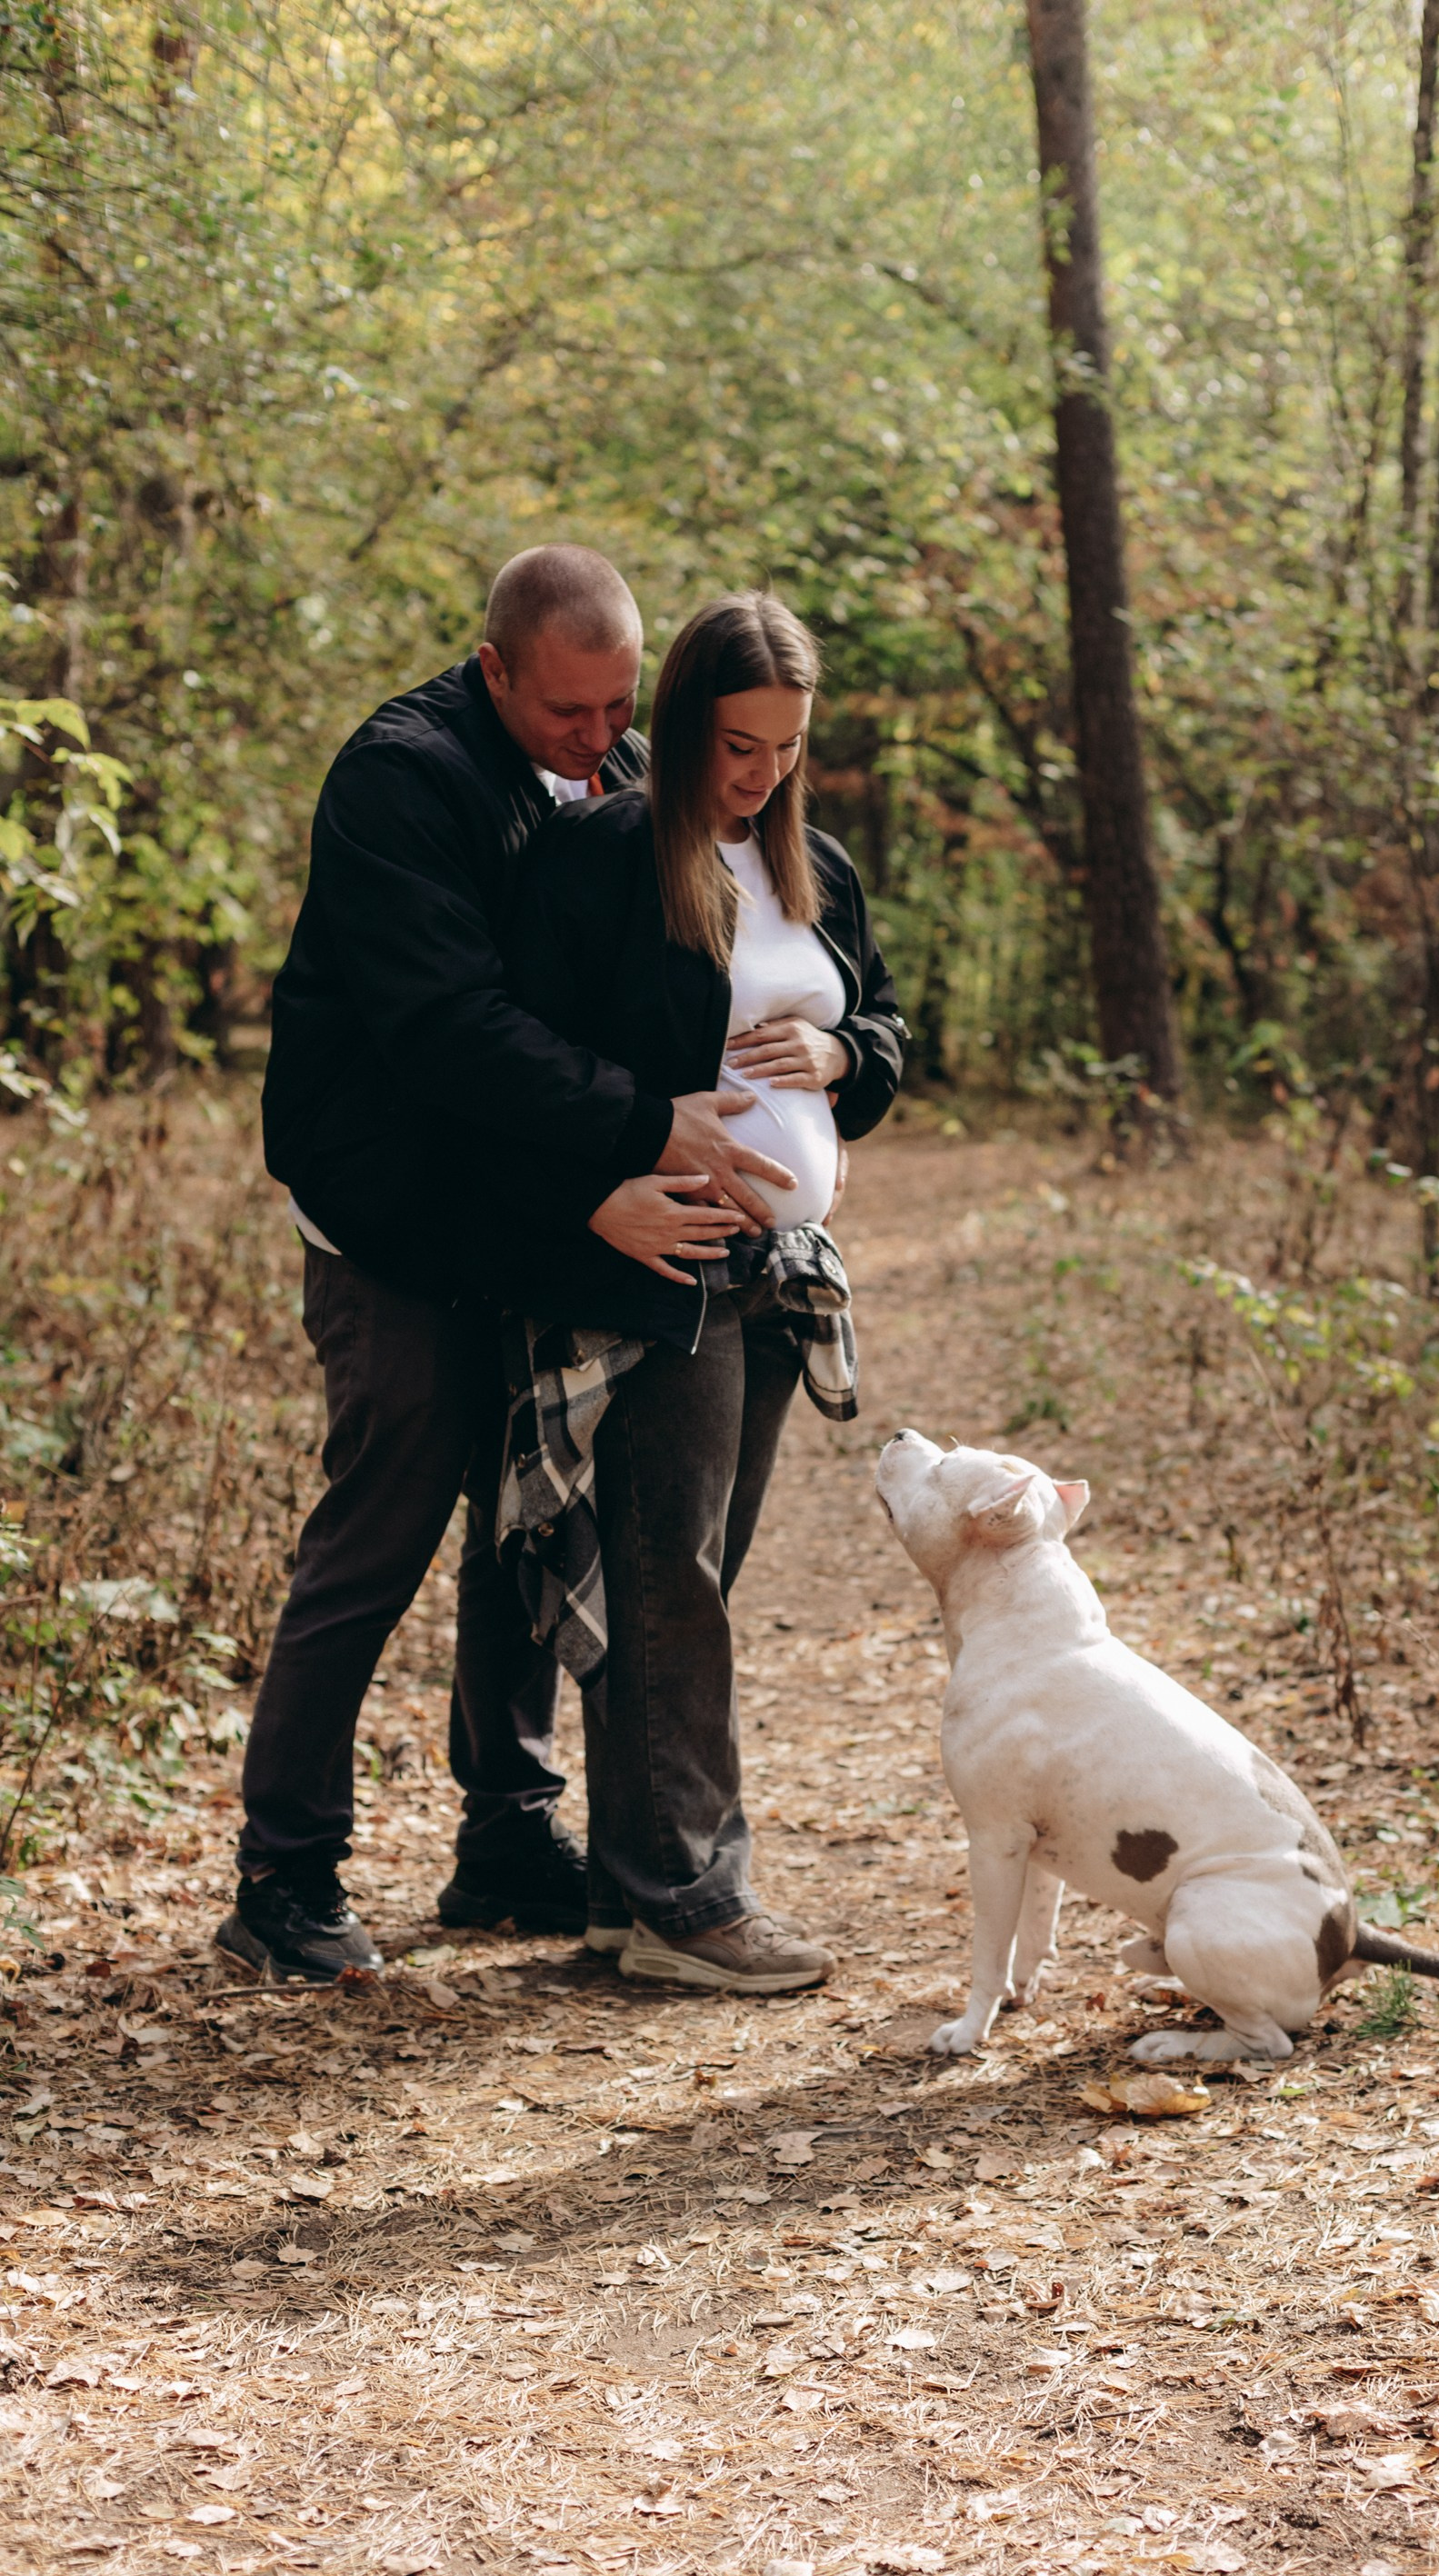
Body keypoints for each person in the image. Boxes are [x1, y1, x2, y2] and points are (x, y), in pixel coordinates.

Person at [225, 547, 796, 1984]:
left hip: (536, 1203)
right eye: (566, 712)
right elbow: (452, 1030)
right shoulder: (401, 783)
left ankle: (506, 1832)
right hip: (396, 1213)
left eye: (621, 707)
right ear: (493, 670)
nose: (601, 740)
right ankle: (284, 1873)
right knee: (387, 1518)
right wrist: (639, 1129)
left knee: (526, 1515)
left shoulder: (617, 774)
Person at [465, 591, 905, 1992]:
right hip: (667, 1266)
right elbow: (515, 1054)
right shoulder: (602, 858)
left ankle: (626, 1889)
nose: (761, 772)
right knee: (669, 1583)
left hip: (784, 1269)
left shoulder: (811, 863)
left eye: (786, 746)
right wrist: (614, 1169)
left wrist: (843, 1058)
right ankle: (685, 1899)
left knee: (692, 1578)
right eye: (736, 745)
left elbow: (889, 1022)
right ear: (683, 724)